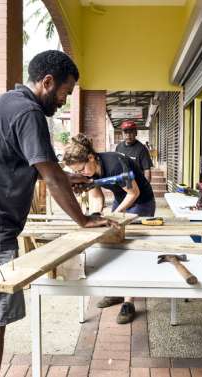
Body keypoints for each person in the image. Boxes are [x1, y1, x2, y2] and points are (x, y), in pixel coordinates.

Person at [0, 50, 115, 377]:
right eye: (65, 92)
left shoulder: (8, 102)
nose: (65, 100)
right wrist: (85, 220)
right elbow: (49, 175)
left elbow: (20, 163)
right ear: (48, 82)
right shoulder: (30, 112)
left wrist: (62, 175)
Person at [63, 133, 156, 324]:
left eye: (81, 169)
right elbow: (97, 197)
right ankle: (117, 291)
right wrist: (96, 217)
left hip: (141, 202)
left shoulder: (115, 164)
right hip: (122, 200)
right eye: (77, 172)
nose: (81, 173)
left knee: (130, 251)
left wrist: (113, 216)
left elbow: (134, 193)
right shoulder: (89, 171)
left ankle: (129, 302)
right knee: (112, 246)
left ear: (90, 157)